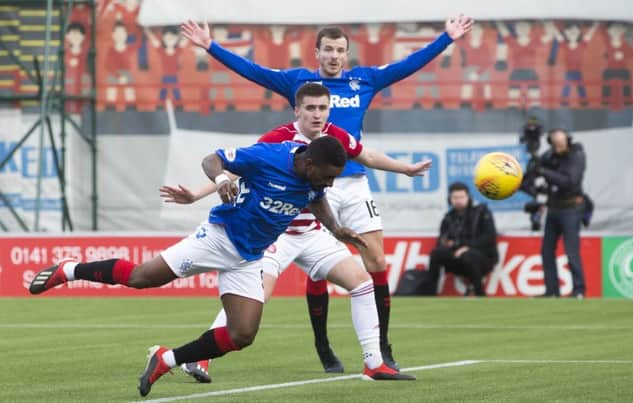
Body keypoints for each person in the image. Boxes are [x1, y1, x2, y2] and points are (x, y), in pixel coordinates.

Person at [181, 14, 473, 370]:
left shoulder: (362, 80)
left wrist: (446, 38)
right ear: (316, 53)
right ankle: (321, 345)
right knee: (288, 275)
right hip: (314, 184)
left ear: (347, 54)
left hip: (354, 183)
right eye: (328, 50)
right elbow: (254, 72)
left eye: (340, 50)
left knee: (375, 261)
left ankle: (380, 348)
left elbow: (405, 68)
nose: (334, 56)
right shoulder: (300, 86)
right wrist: (211, 46)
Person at [28, 136, 382, 397]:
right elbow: (212, 159)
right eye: (328, 175)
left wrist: (336, 229)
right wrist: (222, 179)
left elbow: (317, 199)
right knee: (141, 277)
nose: (330, 183)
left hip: (250, 256)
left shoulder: (313, 180)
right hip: (218, 237)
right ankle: (70, 270)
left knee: (242, 335)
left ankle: (167, 360)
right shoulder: (266, 157)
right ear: (308, 164)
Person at [161, 83, 428, 380]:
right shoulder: (278, 139)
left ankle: (373, 363)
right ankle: (199, 359)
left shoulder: (335, 137)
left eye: (323, 108)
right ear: (297, 110)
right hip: (277, 235)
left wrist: (405, 169)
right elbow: (238, 167)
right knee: (255, 297)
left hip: (313, 233)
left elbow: (367, 156)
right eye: (311, 108)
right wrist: (198, 194)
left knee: (362, 283)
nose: (317, 114)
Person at [535, 129, 587, 298]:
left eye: (561, 143)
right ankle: (552, 291)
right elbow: (535, 174)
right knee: (546, 250)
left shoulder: (576, 156)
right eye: (555, 143)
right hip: (554, 207)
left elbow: (569, 182)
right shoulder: (548, 156)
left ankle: (578, 290)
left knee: (571, 251)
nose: (558, 147)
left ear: (567, 141)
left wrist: (544, 172)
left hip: (571, 208)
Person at [423, 182, 498, 296]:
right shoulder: (448, 218)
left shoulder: (481, 212)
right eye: (455, 197)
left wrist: (466, 247)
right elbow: (441, 241)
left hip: (482, 258)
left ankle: (479, 293)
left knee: (468, 255)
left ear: (468, 197)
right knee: (436, 253)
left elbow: (489, 238)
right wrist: (447, 244)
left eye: (462, 197)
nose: (458, 200)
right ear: (450, 199)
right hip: (457, 257)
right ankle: (430, 294)